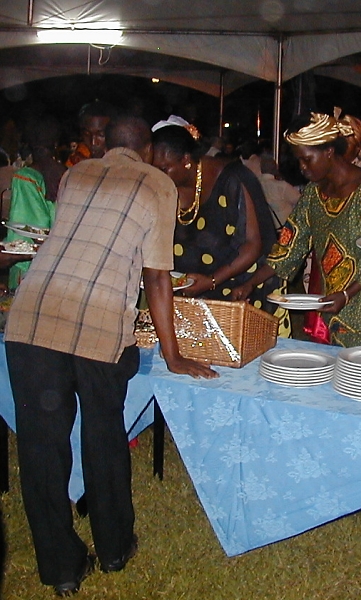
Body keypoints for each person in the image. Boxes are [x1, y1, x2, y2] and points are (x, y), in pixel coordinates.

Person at [4, 115, 217, 596]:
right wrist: (173, 355)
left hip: (31, 316)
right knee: (102, 436)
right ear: (147, 150)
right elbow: (157, 276)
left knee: (41, 450)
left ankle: (61, 569)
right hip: (98, 322)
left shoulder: (76, 173)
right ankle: (115, 548)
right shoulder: (158, 184)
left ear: (105, 144)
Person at [232, 112, 361, 348]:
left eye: (307, 159)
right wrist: (250, 283)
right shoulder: (314, 194)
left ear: (329, 151)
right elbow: (288, 248)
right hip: (337, 309)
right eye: (299, 161)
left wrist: (346, 294)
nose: (302, 168)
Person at [151, 120, 285, 317]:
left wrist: (212, 280)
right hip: (190, 293)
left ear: (186, 160)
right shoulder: (164, 187)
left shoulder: (233, 178)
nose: (157, 176)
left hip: (240, 291)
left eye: (164, 169)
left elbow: (252, 244)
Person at [5, 115, 66, 289]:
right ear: (56, 144)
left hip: (31, 269)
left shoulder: (25, 178)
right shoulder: (67, 173)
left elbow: (24, 233)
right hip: (61, 263)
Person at [65, 101, 117, 166]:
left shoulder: (121, 155)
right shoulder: (79, 154)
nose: (93, 142)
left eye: (101, 135)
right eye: (86, 134)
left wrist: (87, 164)